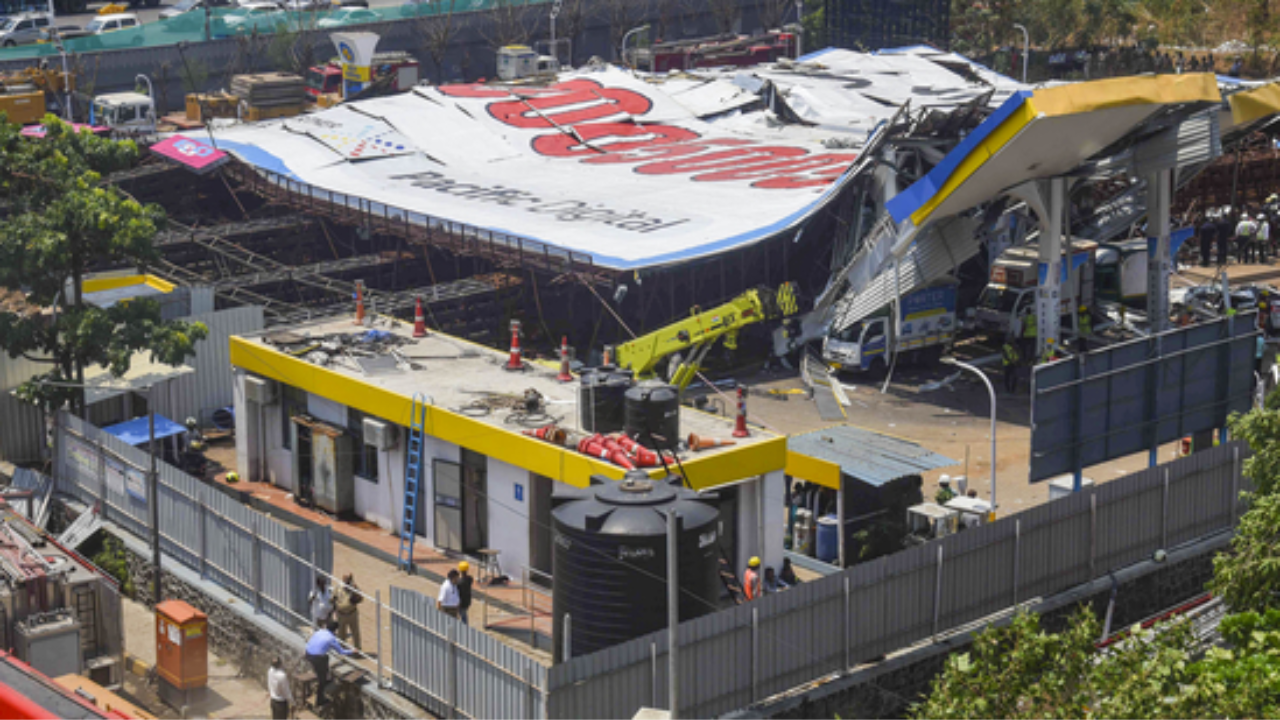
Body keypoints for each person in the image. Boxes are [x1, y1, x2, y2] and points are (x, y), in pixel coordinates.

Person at [305, 620, 353, 708]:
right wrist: (352, 651)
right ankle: (320, 700)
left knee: (326, 658)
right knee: (321, 681)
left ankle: (324, 675)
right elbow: (341, 652)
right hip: (317, 658)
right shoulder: (331, 638)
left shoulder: (320, 631)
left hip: (308, 653)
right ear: (335, 630)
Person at [334, 573, 362, 650]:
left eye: (349, 580)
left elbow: (361, 599)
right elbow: (333, 598)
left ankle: (357, 650)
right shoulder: (338, 587)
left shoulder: (354, 588)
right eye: (345, 580)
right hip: (341, 614)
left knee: (355, 632)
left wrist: (355, 592)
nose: (347, 582)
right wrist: (335, 610)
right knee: (341, 633)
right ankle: (342, 649)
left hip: (352, 613)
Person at [456, 561, 474, 626]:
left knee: (463, 615)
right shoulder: (469, 579)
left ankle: (465, 627)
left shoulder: (459, 582)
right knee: (464, 614)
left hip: (461, 602)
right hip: (467, 601)